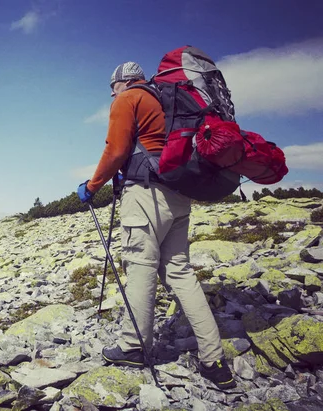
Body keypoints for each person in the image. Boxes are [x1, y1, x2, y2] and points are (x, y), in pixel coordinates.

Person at [77, 62, 236, 390]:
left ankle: (134, 346)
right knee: (180, 272)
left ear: (125, 82)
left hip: (146, 196)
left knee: (140, 267)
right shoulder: (170, 100)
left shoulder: (129, 99)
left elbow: (116, 150)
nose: (111, 93)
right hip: (179, 194)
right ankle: (214, 360)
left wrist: (92, 186)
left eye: (113, 86)